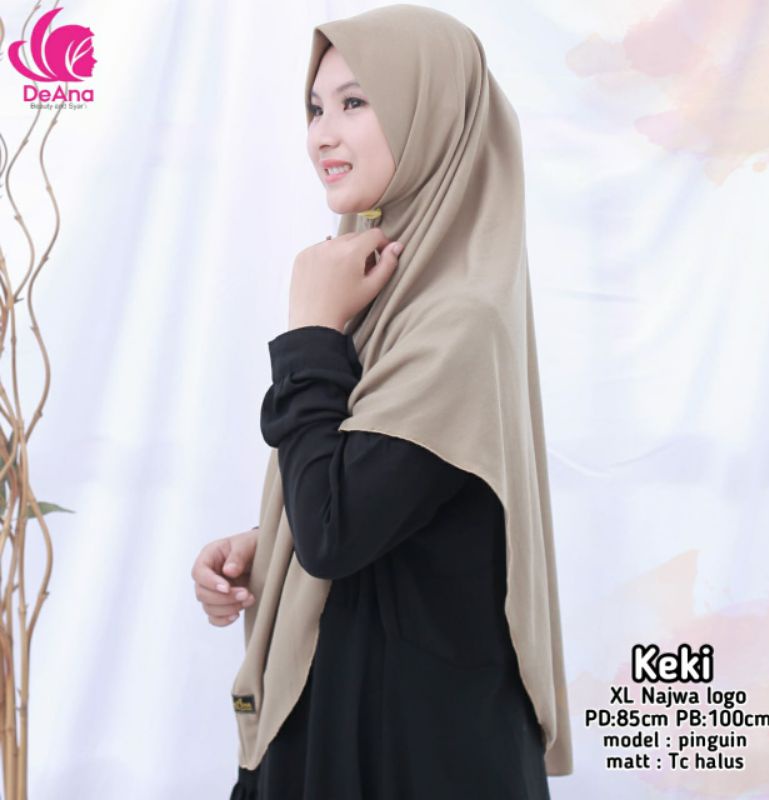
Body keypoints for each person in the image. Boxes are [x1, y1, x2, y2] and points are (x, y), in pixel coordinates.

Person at [191, 5, 573, 798]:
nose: (322, 136)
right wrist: (271, 542)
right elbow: (375, 503)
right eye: (315, 108)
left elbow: (335, 534)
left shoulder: (457, 319)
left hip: (410, 749)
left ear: (433, 114)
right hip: (361, 715)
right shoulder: (385, 298)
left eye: (356, 102)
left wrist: (309, 332)